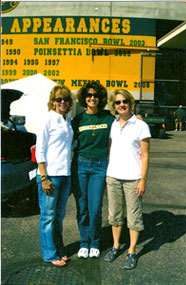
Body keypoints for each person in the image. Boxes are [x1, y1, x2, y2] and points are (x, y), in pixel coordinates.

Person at [104, 89, 151, 270]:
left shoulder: (141, 125)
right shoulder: (113, 124)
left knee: (134, 217)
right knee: (114, 215)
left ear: (130, 103)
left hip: (133, 178)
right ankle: (116, 246)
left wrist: (143, 179)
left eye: (124, 101)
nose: (121, 104)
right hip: (113, 176)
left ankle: (131, 250)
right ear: (114, 106)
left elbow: (145, 156)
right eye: (117, 102)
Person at [71, 80, 114, 259]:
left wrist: (137, 119)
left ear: (100, 98)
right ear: (84, 98)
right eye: (89, 95)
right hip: (80, 165)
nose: (92, 98)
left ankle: (95, 242)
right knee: (82, 207)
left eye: (95, 95)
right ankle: (84, 242)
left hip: (99, 166)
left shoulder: (109, 118)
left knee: (95, 207)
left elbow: (125, 125)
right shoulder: (78, 120)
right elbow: (63, 138)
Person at [35, 85, 73, 267]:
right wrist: (44, 177)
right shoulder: (47, 119)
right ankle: (50, 254)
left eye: (65, 99)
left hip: (65, 174)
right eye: (58, 99)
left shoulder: (68, 120)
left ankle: (59, 248)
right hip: (50, 175)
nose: (62, 102)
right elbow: (39, 150)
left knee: (59, 216)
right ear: (53, 102)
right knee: (48, 217)